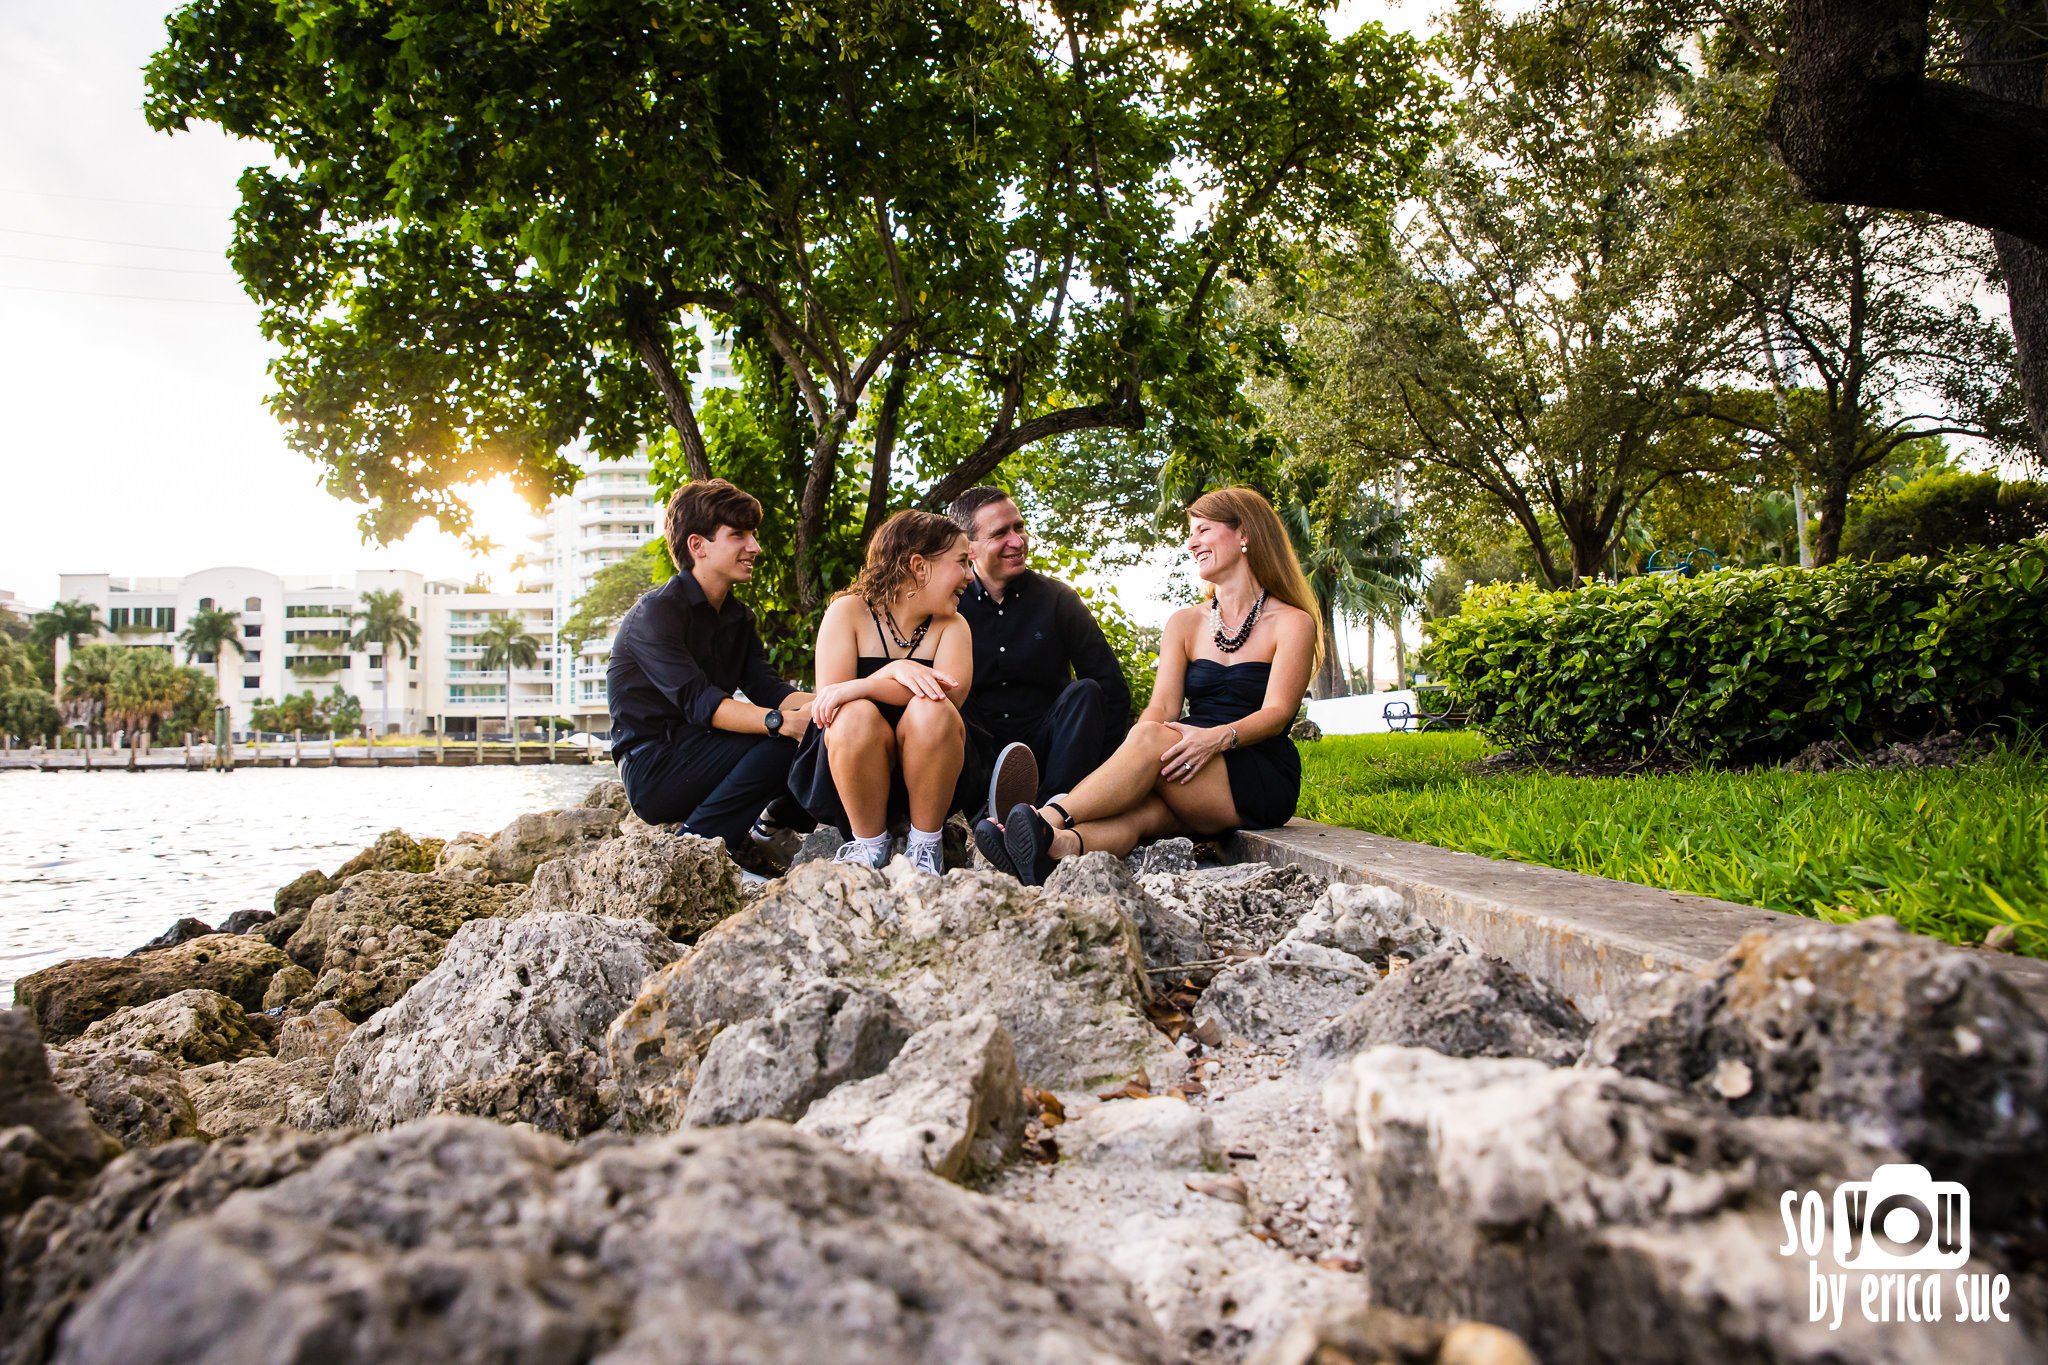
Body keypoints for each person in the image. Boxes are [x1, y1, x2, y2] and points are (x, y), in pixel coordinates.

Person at [975, 486, 1320, 885]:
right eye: (1190, 533)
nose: (1192, 543)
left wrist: (1213, 739)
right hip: (1189, 762)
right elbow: (1161, 708)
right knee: (1137, 814)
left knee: (1156, 741)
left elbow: (1278, 714)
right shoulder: (1185, 623)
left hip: (1255, 771)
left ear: (1245, 534)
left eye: (1203, 530)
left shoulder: (1292, 622)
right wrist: (1137, 749)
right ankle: (1051, 851)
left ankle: (1044, 818)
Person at [607, 479, 813, 869]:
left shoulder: (738, 617)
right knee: (784, 740)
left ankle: (767, 827)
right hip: (654, 767)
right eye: (738, 535)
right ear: (698, 546)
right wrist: (782, 723)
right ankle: (693, 850)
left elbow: (767, 687)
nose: (755, 547)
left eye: (753, 535)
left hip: (708, 748)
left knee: (823, 728)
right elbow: (704, 704)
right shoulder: (655, 614)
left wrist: (839, 701)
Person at [786, 509, 981, 874]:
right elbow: (829, 703)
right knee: (852, 712)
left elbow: (949, 697)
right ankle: (868, 845)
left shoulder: (953, 626)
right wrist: (893, 671)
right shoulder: (848, 612)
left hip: (932, 771)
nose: (970, 577)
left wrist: (868, 683)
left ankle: (926, 847)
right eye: (961, 563)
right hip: (852, 769)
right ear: (920, 566)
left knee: (932, 709)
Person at [946, 486, 1133, 830]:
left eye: (1019, 527)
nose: (1017, 541)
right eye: (1001, 533)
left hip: (1053, 757)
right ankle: (980, 812)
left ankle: (1049, 817)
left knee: (1088, 691)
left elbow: (1113, 690)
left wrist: (1099, 774)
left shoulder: (1059, 599)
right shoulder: (949, 605)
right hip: (979, 757)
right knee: (944, 692)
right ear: (968, 547)